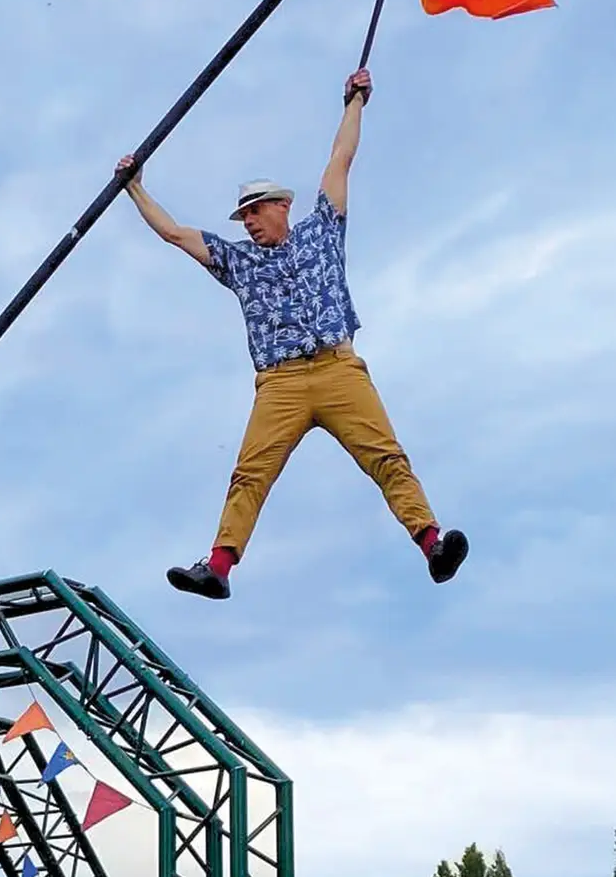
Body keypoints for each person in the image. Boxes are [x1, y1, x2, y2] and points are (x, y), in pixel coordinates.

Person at [116, 68, 468, 600]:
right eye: (243, 217)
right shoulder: (237, 262)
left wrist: (354, 102)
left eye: (255, 211)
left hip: (337, 368)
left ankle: (432, 544)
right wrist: (135, 188)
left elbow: (341, 158)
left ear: (283, 205)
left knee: (387, 459)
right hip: (279, 383)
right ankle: (217, 567)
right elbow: (174, 232)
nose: (249, 223)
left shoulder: (322, 227)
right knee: (249, 473)